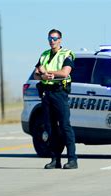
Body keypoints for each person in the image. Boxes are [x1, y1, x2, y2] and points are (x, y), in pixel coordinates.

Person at [34, 29, 78, 169]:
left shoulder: (67, 54)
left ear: (60, 40)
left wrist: (46, 72)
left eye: (55, 38)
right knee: (50, 127)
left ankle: (72, 159)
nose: (52, 41)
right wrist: (42, 77)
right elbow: (35, 75)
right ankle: (55, 159)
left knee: (65, 126)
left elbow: (65, 73)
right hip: (47, 94)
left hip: (59, 93)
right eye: (50, 38)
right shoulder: (44, 55)